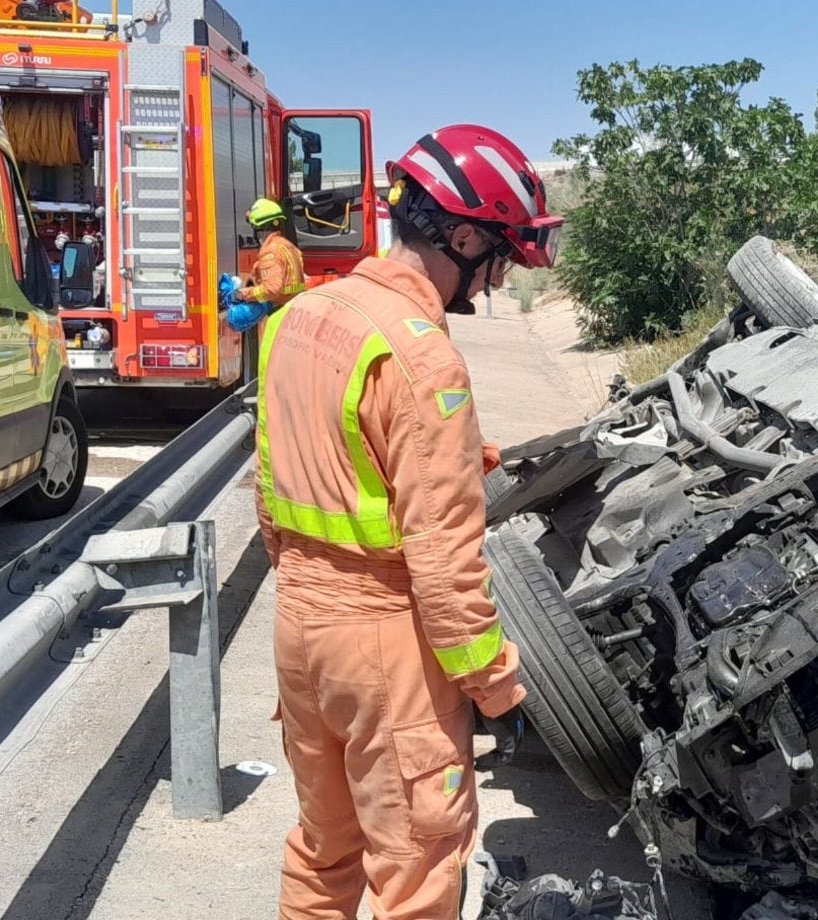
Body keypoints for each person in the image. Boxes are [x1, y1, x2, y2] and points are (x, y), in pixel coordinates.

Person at [255, 124, 562, 920]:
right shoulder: (423, 358)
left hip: (298, 627)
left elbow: (276, 485)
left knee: (324, 854)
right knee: (418, 868)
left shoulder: (300, 317)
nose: (496, 278)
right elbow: (442, 559)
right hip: (384, 647)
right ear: (461, 235)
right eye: (499, 253)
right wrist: (497, 689)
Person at [238, 198, 308, 308]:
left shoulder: (270, 251)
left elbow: (272, 289)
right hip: (295, 307)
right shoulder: (288, 246)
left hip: (281, 310)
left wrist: (244, 294)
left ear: (259, 228)